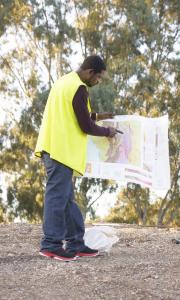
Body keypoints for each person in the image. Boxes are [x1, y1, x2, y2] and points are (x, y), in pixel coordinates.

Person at [34, 55, 119, 261]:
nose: (98, 82)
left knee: (67, 200)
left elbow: (77, 114)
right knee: (57, 197)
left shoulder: (65, 82)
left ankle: (76, 243)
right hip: (60, 150)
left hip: (55, 148)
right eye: (98, 78)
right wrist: (108, 132)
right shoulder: (79, 88)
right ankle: (51, 245)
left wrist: (99, 116)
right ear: (90, 72)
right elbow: (85, 125)